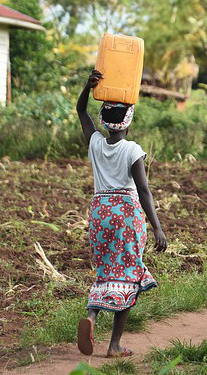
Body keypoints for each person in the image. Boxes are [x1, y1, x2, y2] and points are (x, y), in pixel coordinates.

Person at [75, 69, 168, 358]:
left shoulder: (96, 143)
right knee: (129, 275)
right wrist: (157, 227)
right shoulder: (132, 150)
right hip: (126, 215)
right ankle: (113, 345)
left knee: (105, 272)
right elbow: (144, 191)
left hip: (100, 213)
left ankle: (91, 316)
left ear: (104, 120)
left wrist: (88, 88)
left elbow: (80, 110)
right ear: (128, 121)